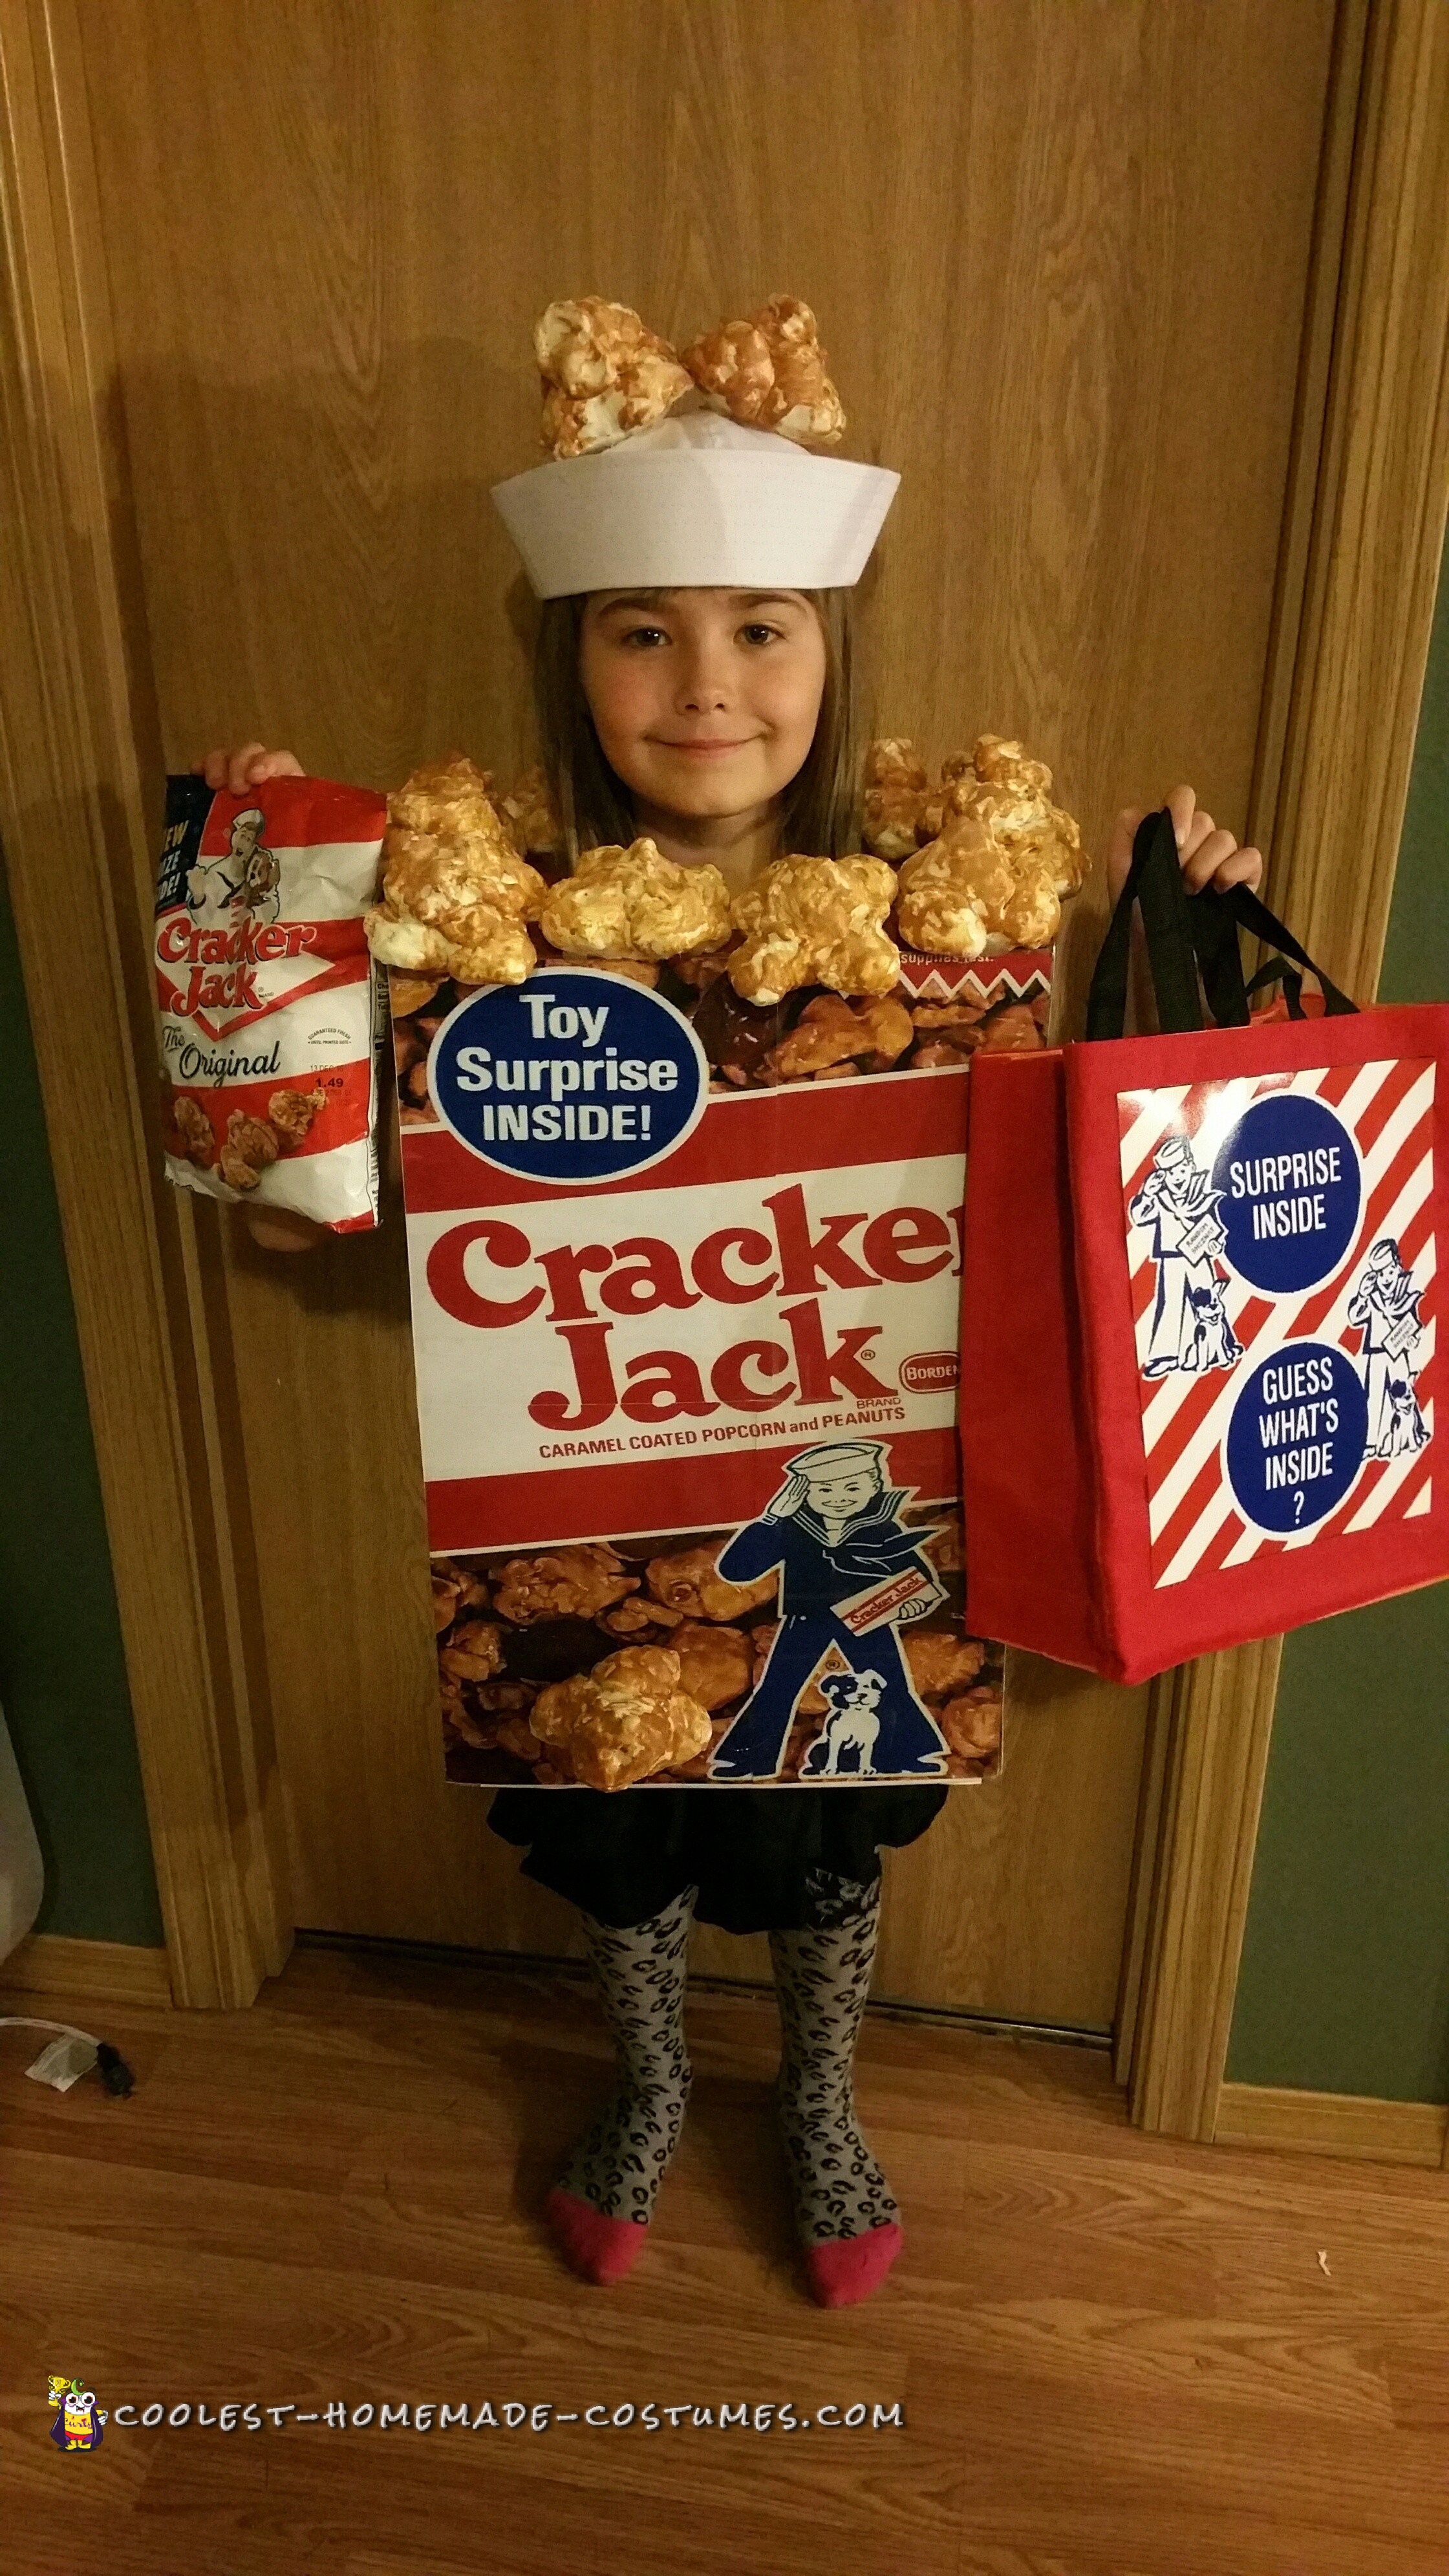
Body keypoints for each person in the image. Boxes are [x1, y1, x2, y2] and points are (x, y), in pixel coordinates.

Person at [199, 342, 1265, 2310]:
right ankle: (652, 2082)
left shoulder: (965, 916)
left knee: (831, 1816)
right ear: (570, 661)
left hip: (863, 1482)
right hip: (596, 1482)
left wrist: (1181, 930)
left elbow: (1142, 1196)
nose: (707, 684)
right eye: (642, 634)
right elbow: (290, 1224)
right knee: (626, 1817)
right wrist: (256, 922)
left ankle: (826, 2095)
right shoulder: (470, 918)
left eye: (762, 629)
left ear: (829, 649)